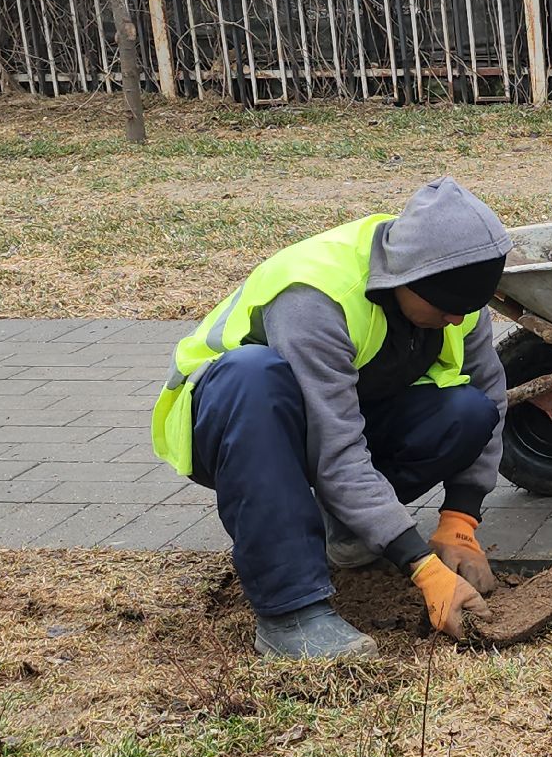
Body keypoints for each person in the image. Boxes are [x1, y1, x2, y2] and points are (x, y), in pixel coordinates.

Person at [151, 176, 515, 656]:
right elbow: (335, 448)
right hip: (234, 422)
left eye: (466, 309)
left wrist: (460, 521)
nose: (456, 320)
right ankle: (289, 612)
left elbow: (490, 391)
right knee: (254, 374)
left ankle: (346, 532)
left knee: (466, 410)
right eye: (447, 308)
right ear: (406, 278)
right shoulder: (316, 297)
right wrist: (421, 564)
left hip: (335, 415)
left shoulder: (454, 293)